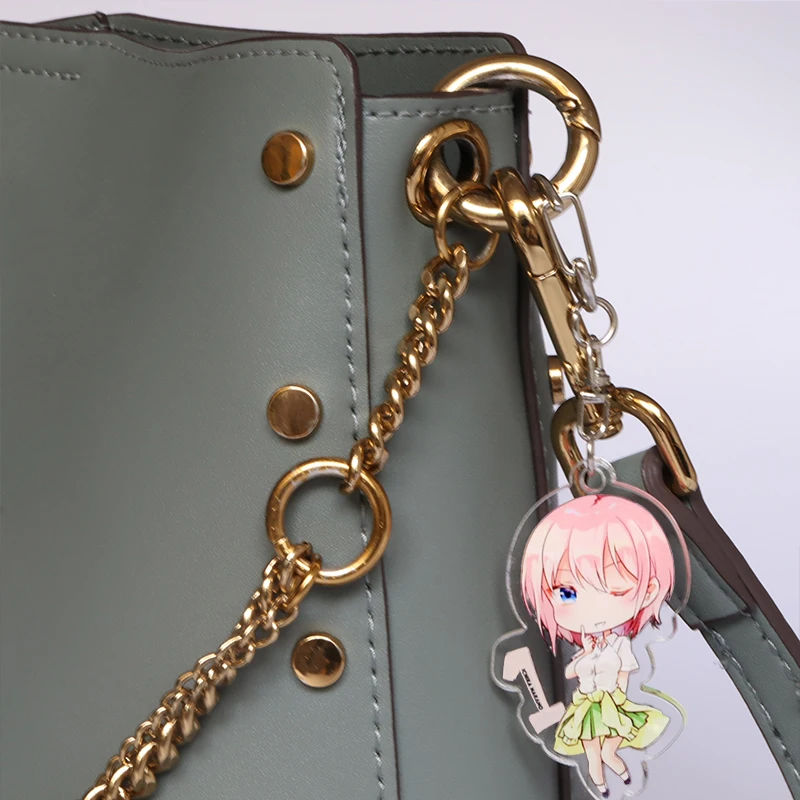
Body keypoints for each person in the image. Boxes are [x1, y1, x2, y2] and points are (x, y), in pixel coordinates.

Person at [521, 494, 674, 797]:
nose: (588, 610)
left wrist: (617, 699)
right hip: (586, 705)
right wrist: (587, 655)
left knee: (607, 751)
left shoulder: (620, 645)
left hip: (611, 702)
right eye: (566, 593)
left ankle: (623, 775)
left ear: (647, 591)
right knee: (592, 754)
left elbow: (624, 674)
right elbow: (569, 674)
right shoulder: (586, 649)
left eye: (612, 590)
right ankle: (602, 788)